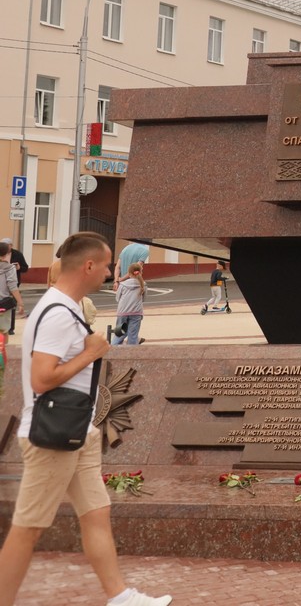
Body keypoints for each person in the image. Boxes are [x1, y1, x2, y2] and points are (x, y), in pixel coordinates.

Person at [0, 231, 172, 606]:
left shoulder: (67, 307)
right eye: (107, 265)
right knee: (28, 529)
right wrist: (91, 353)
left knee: (96, 513)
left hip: (77, 431)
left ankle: (120, 597)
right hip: (52, 436)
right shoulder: (58, 314)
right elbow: (41, 378)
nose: (110, 273)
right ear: (88, 266)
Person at [110, 262, 146, 345]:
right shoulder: (143, 285)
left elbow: (118, 298)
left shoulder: (122, 285)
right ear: (141, 272)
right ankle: (131, 352)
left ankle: (113, 348)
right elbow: (143, 299)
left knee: (119, 334)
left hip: (122, 312)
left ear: (129, 274)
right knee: (133, 335)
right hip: (136, 312)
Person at [0, 240, 21, 333]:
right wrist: (20, 303)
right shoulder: (10, 268)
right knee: (4, 331)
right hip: (3, 303)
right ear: (7, 254)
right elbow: (12, 287)